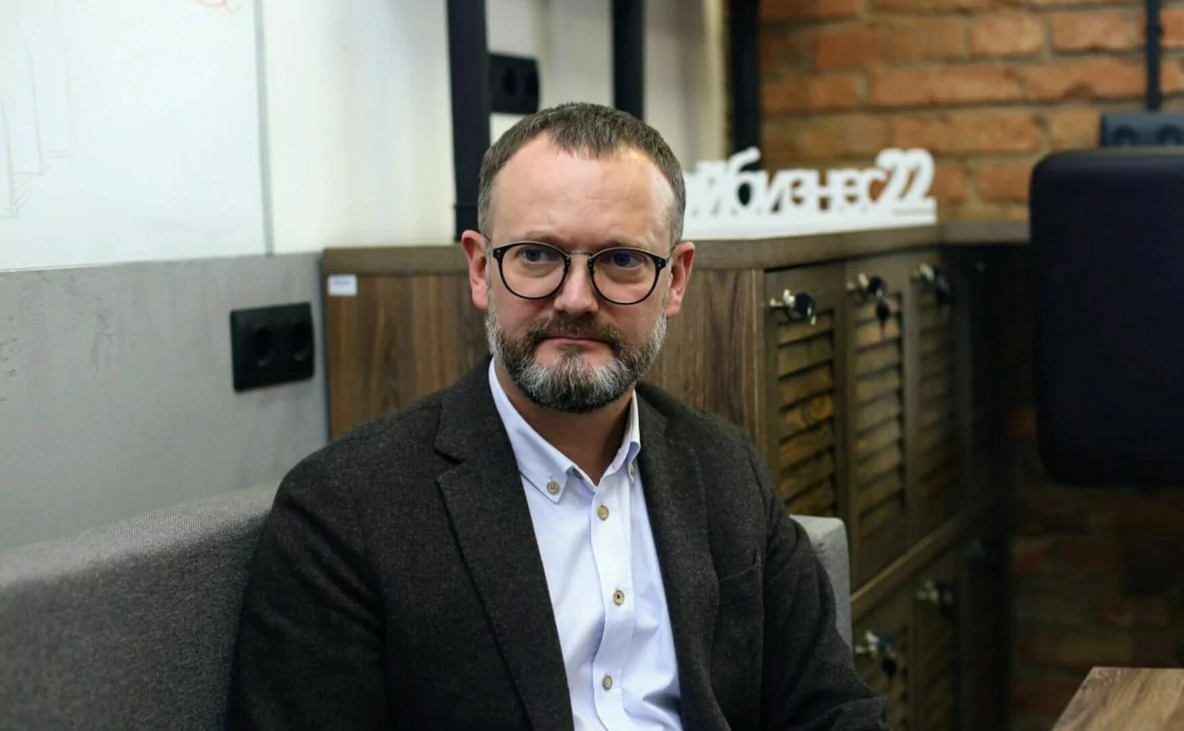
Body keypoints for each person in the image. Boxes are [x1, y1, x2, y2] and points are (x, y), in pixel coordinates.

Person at [226, 102, 887, 730]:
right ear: (480, 269)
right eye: (537, 255)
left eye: (622, 260)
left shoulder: (725, 465)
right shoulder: (344, 511)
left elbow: (832, 709)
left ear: (676, 280)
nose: (575, 299)